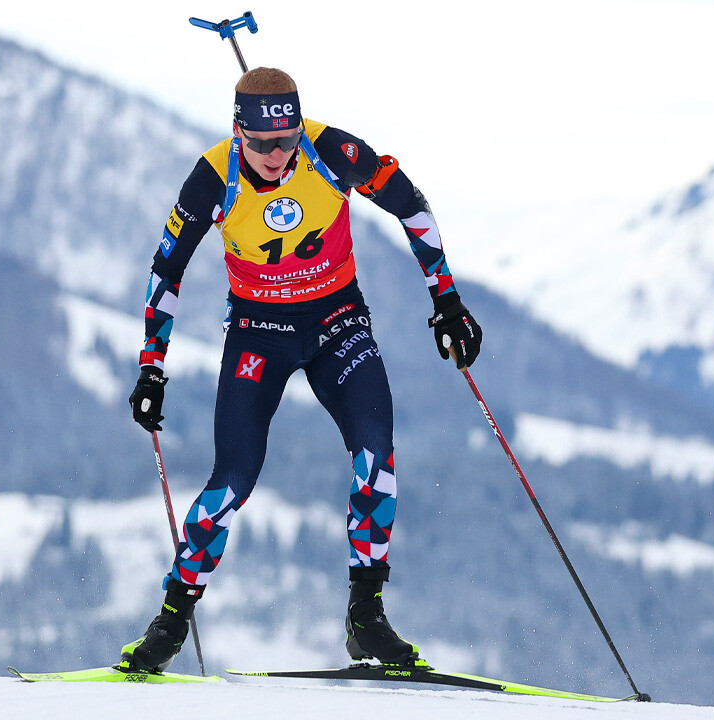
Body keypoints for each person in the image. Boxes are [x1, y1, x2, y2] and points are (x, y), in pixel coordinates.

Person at [117, 67, 482, 673]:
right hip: (260, 336)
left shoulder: (333, 151)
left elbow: (412, 208)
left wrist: (445, 299)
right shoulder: (213, 177)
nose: (275, 154)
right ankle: (171, 621)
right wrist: (151, 368)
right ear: (238, 133)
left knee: (376, 462)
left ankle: (366, 619)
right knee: (231, 481)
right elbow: (166, 272)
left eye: (285, 140)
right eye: (260, 144)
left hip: (339, 327)